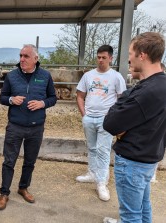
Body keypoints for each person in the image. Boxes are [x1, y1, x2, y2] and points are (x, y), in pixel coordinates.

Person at [103, 32, 166, 223]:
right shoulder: (161, 84)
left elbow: (111, 123)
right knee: (143, 207)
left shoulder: (145, 92)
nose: (128, 58)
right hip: (149, 157)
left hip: (133, 161)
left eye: (130, 53)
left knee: (130, 216)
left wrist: (123, 101)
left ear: (142, 55)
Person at [0, 44, 57, 210]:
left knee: (30, 161)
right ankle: (4, 192)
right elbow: (2, 97)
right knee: (9, 161)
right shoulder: (12, 76)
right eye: (21, 56)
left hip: (36, 128)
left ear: (36, 59)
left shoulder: (45, 76)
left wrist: (42, 103)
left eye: (26, 56)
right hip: (15, 126)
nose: (22, 59)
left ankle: (23, 187)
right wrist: (11, 100)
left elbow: (53, 98)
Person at [75, 45, 126, 202]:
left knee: (103, 150)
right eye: (98, 57)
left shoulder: (116, 77)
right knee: (91, 147)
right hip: (90, 118)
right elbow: (80, 95)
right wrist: (84, 114)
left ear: (111, 58)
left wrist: (114, 117)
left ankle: (102, 183)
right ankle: (92, 173)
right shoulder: (88, 76)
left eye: (104, 57)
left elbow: (122, 99)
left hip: (106, 120)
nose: (100, 60)